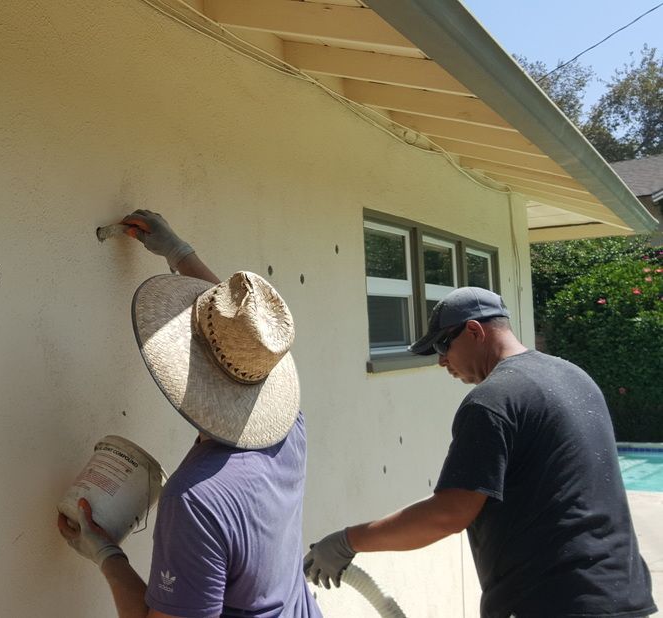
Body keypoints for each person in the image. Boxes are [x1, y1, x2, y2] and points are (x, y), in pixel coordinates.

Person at [303, 286, 656, 618]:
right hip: (622, 592)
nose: (441, 361)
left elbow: (449, 514)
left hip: (553, 601)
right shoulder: (574, 376)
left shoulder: (493, 400)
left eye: (443, 345)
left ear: (474, 331)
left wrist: (348, 541)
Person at [58, 210, 321, 618]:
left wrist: (107, 555)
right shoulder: (290, 428)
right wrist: (179, 253)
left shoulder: (195, 502)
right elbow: (247, 339)